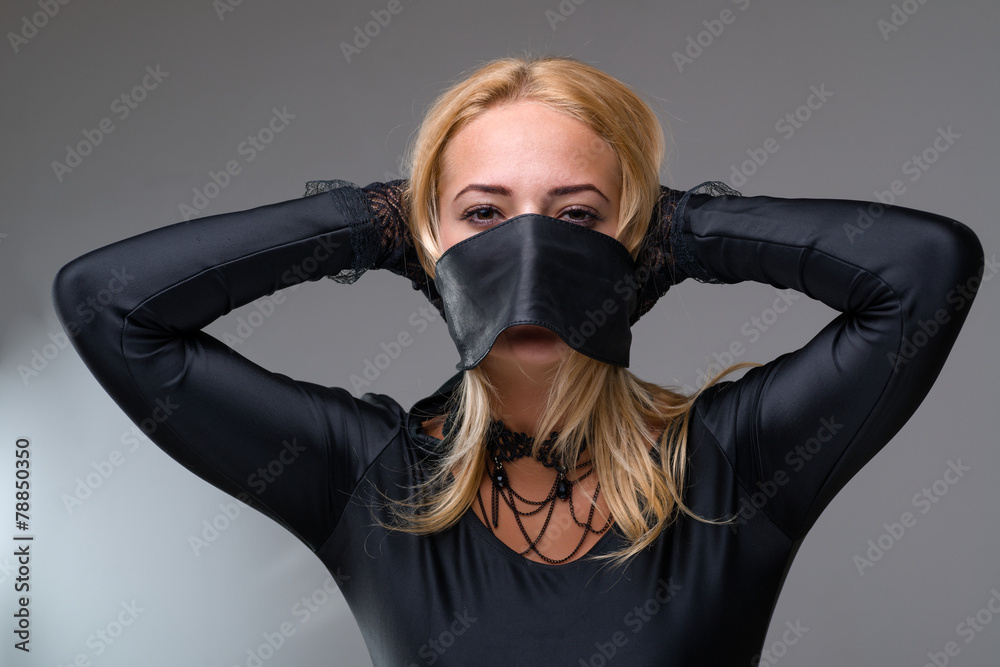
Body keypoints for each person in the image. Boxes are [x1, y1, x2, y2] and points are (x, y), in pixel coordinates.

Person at [51, 55, 984, 665]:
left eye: (576, 216)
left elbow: (924, 269)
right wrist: (379, 224)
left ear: (634, 235)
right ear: (430, 238)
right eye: (484, 215)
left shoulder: (735, 464)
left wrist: (681, 233)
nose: (530, 257)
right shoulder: (360, 473)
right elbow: (108, 304)